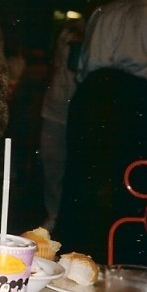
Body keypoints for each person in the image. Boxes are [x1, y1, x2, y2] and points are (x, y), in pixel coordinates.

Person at [54, 0, 147, 264]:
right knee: (136, 183)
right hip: (133, 97)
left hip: (91, 96)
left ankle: (74, 253)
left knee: (82, 179)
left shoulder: (105, 10)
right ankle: (129, 260)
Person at [39, 17, 84, 230]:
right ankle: (53, 215)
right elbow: (54, 67)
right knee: (52, 162)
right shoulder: (66, 32)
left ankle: (71, 221)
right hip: (55, 105)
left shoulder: (96, 27)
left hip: (81, 105)